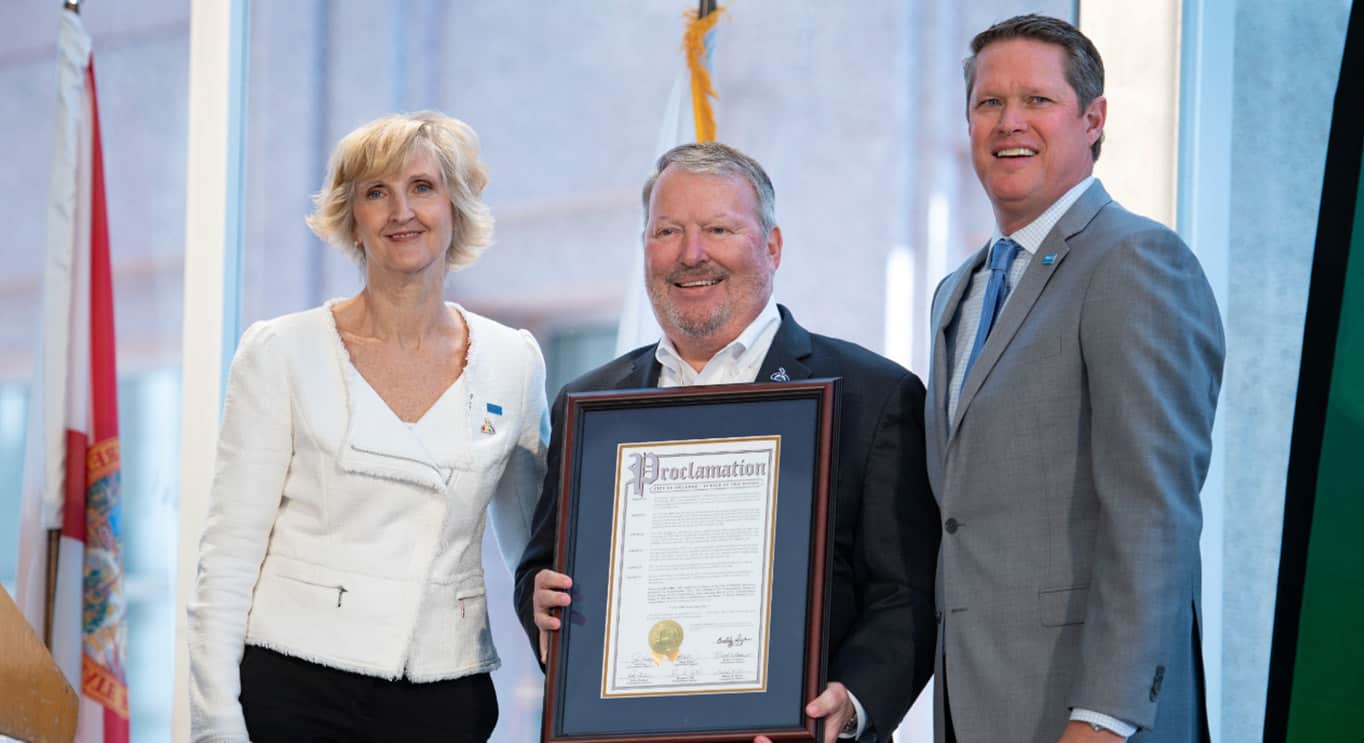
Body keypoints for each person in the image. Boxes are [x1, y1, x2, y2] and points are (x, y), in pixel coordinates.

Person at [514, 142, 939, 742]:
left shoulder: (874, 395)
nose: (691, 254)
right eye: (667, 231)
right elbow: (543, 570)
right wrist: (537, 599)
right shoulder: (593, 406)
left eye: (719, 228)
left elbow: (907, 595)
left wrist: (851, 703)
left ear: (772, 246)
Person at [187, 111, 547, 743]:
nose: (400, 211)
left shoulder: (513, 361)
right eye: (376, 192)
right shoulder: (281, 351)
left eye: (422, 187)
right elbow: (227, 560)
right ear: (350, 216)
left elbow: (533, 552)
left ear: (456, 206)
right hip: (297, 686)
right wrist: (216, 726)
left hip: (448, 693)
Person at [924, 15, 1223, 743]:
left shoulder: (1135, 262)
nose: (1009, 123)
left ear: (1093, 119)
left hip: (1087, 717)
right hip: (976, 706)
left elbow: (1154, 514)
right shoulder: (956, 290)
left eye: (1037, 100)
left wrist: (1105, 716)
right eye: (989, 102)